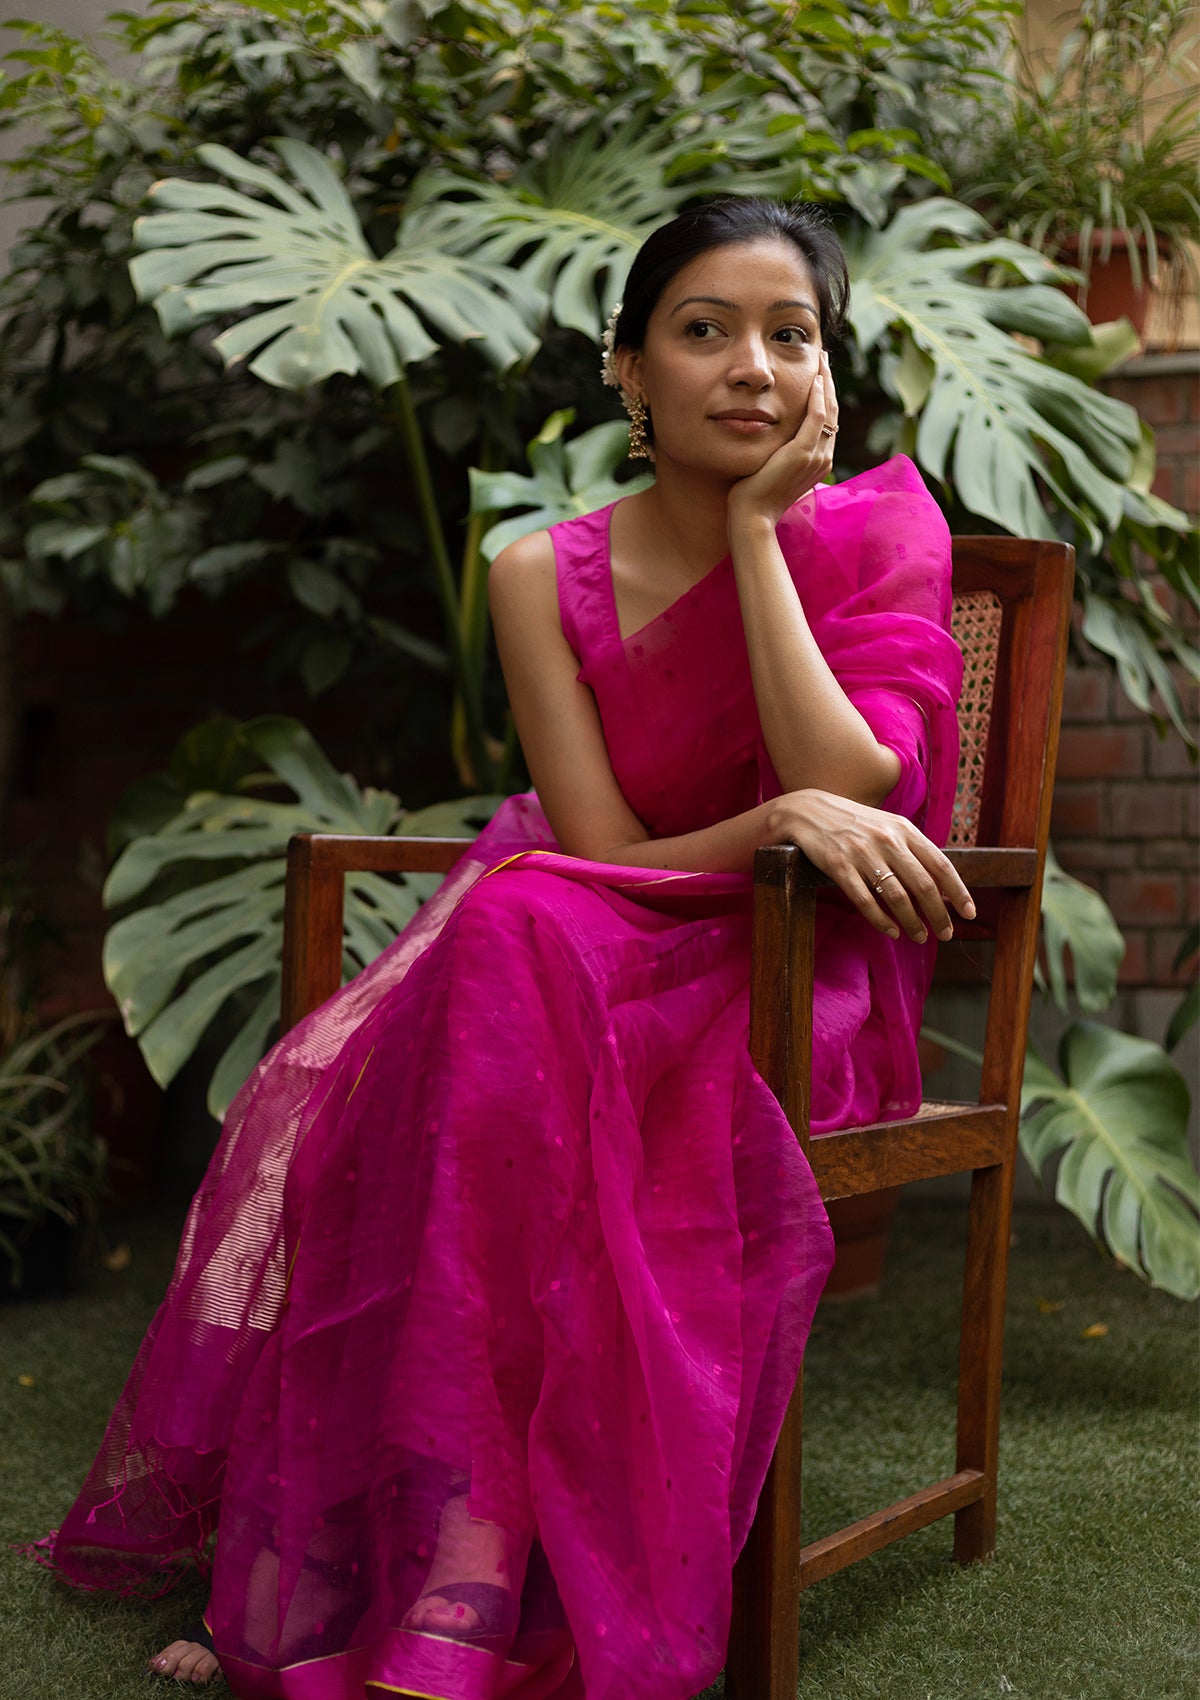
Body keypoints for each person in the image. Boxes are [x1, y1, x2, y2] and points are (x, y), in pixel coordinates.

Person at [35, 197, 971, 1698]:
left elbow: (849, 780)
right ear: (628, 370)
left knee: (512, 948)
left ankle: (441, 1591)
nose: (752, 367)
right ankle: (382, 1569)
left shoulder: (879, 534)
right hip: (589, 931)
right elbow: (602, 843)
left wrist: (751, 538)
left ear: (830, 376)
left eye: (789, 335)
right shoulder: (542, 571)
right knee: (508, 960)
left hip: (793, 973)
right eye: (704, 330)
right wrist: (773, 819)